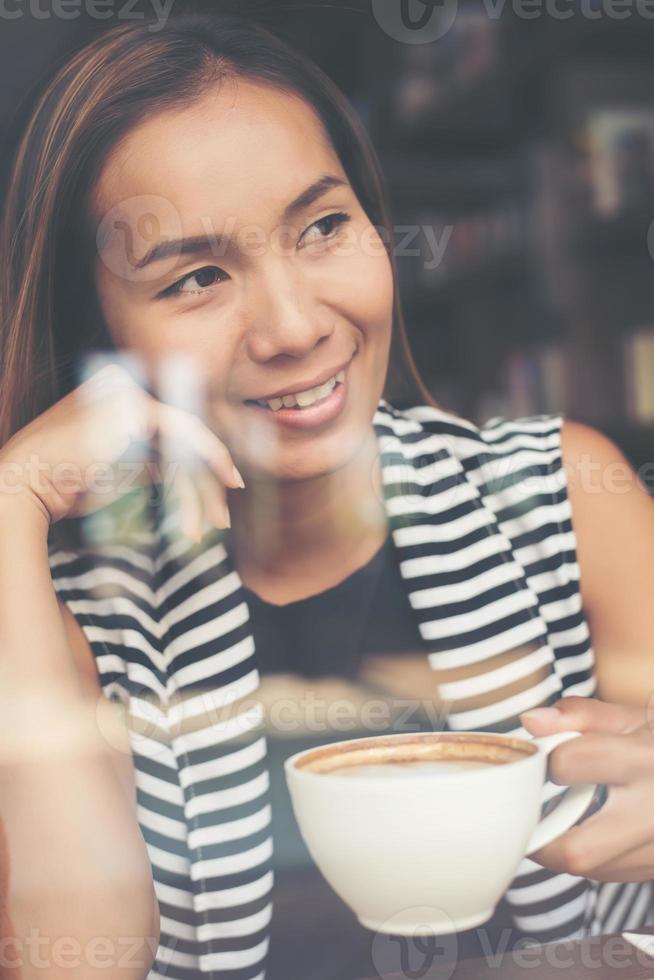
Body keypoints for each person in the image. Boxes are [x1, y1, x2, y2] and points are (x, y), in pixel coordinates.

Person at [1, 11, 654, 980]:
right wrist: (8, 498)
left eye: (323, 226)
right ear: (96, 326)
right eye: (198, 276)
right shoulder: (61, 607)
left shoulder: (565, 496)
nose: (295, 325)